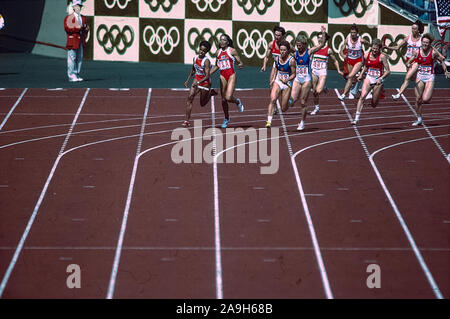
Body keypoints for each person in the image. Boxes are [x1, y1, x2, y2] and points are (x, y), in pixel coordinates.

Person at [407, 33, 450, 126]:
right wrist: (409, 65)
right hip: (420, 76)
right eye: (423, 42)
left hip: (429, 77)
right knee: (418, 99)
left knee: (425, 99)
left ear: (430, 44)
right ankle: (419, 118)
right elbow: (409, 61)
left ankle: (428, 92)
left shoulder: (433, 52)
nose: (424, 44)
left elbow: (441, 61)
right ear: (421, 42)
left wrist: (445, 70)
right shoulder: (417, 52)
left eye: (427, 42)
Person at [290, 26, 326, 131]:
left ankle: (302, 122)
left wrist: (323, 33)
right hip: (297, 79)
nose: (298, 47)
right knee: (292, 101)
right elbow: (285, 47)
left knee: (302, 102)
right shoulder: (295, 52)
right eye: (297, 45)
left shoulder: (309, 52)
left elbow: (322, 44)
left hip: (306, 80)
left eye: (300, 45)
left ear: (304, 45)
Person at [351, 39, 391, 125]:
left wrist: (381, 78)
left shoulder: (382, 57)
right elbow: (365, 67)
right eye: (373, 48)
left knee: (374, 104)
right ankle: (356, 119)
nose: (374, 50)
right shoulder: (366, 55)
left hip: (378, 80)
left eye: (376, 49)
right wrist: (361, 75)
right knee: (362, 96)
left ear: (379, 49)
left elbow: (388, 71)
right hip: (369, 78)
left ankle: (379, 91)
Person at [210, 34, 244, 128]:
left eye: (224, 40)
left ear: (227, 42)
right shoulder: (217, 52)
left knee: (228, 97)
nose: (221, 41)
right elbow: (217, 65)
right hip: (222, 76)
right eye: (220, 40)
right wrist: (208, 73)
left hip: (231, 75)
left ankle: (237, 101)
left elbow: (240, 62)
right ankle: (226, 118)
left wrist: (240, 64)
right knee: (223, 99)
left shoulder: (232, 51)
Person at [182, 40, 217, 127]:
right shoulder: (195, 58)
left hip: (205, 82)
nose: (201, 52)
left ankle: (210, 93)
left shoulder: (206, 61)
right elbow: (193, 70)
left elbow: (207, 76)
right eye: (200, 49)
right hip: (197, 79)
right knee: (190, 98)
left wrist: (199, 83)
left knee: (202, 103)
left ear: (206, 52)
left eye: (204, 51)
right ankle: (186, 121)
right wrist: (187, 80)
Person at [388, 20, 424, 100]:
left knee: (407, 77)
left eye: (415, 29)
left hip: (416, 61)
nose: (413, 30)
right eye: (412, 28)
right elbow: (397, 47)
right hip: (408, 61)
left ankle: (398, 94)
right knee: (413, 78)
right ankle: (422, 89)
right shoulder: (408, 38)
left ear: (418, 30)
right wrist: (387, 47)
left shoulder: (422, 40)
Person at [310, 31, 343, 115]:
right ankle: (317, 107)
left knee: (318, 91)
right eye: (318, 37)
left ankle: (323, 86)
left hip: (322, 72)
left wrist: (338, 70)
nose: (319, 39)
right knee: (314, 91)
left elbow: (335, 61)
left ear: (325, 39)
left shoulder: (328, 50)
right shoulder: (314, 48)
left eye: (321, 37)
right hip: (314, 71)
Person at [265, 40, 296, 128]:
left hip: (287, 84)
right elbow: (276, 69)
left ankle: (290, 100)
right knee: (273, 99)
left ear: (288, 50)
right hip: (278, 81)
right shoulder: (276, 58)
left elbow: (294, 74)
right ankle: (269, 121)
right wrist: (273, 79)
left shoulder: (291, 61)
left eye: (284, 50)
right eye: (281, 50)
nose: (282, 52)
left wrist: (287, 79)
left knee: (283, 108)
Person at [338, 24, 370, 101]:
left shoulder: (360, 40)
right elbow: (342, 48)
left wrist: (372, 50)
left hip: (358, 61)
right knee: (353, 78)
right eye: (351, 32)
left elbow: (370, 44)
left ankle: (343, 94)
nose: (352, 34)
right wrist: (342, 55)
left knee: (350, 76)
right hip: (350, 60)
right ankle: (366, 83)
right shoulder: (348, 38)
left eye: (354, 32)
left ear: (357, 33)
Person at [64, 0, 89, 82]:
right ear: (73, 7)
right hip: (73, 40)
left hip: (80, 40)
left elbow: (84, 29)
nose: (78, 8)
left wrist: (86, 29)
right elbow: (67, 28)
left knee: (79, 58)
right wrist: (77, 28)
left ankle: (77, 74)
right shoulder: (69, 17)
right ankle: (71, 75)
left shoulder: (83, 18)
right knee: (72, 58)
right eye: (77, 6)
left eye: (80, 6)